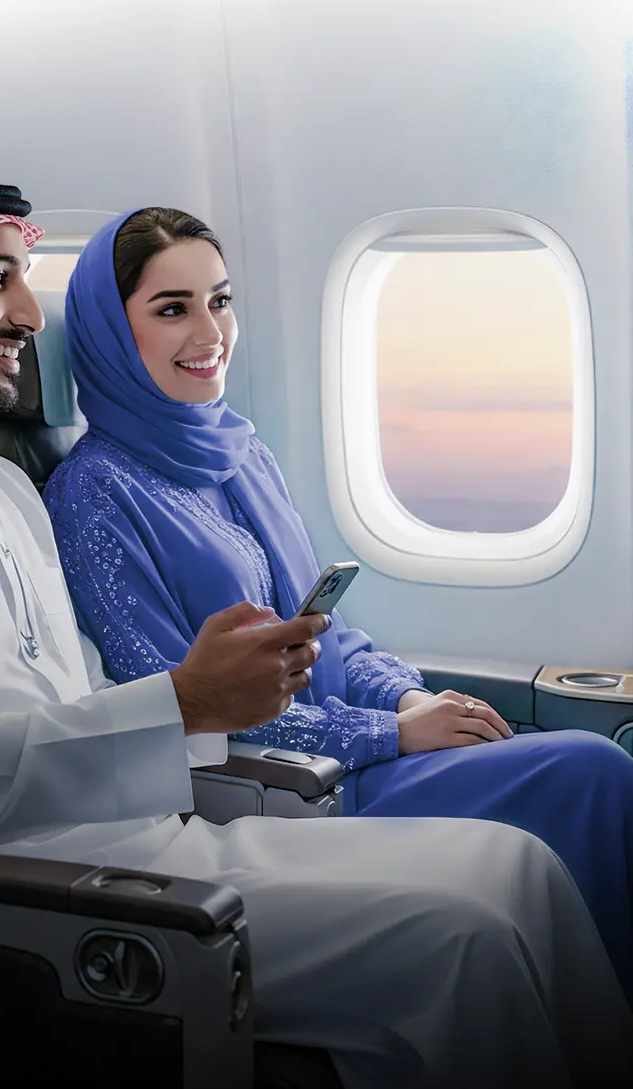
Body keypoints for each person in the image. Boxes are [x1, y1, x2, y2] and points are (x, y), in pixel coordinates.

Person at [0, 163, 630, 1089]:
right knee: (465, 934)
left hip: (148, 834)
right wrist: (185, 700)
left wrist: (208, 711)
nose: (34, 318)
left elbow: (80, 695)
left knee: (516, 866)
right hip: (10, 894)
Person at [44, 206, 633, 1000]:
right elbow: (170, 703)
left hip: (353, 745)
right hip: (290, 781)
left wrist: (410, 694)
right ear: (113, 333)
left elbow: (325, 631)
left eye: (220, 300)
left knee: (589, 771)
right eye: (171, 308)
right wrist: (390, 733)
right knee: (591, 770)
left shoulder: (239, 451)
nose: (210, 331)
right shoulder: (93, 493)